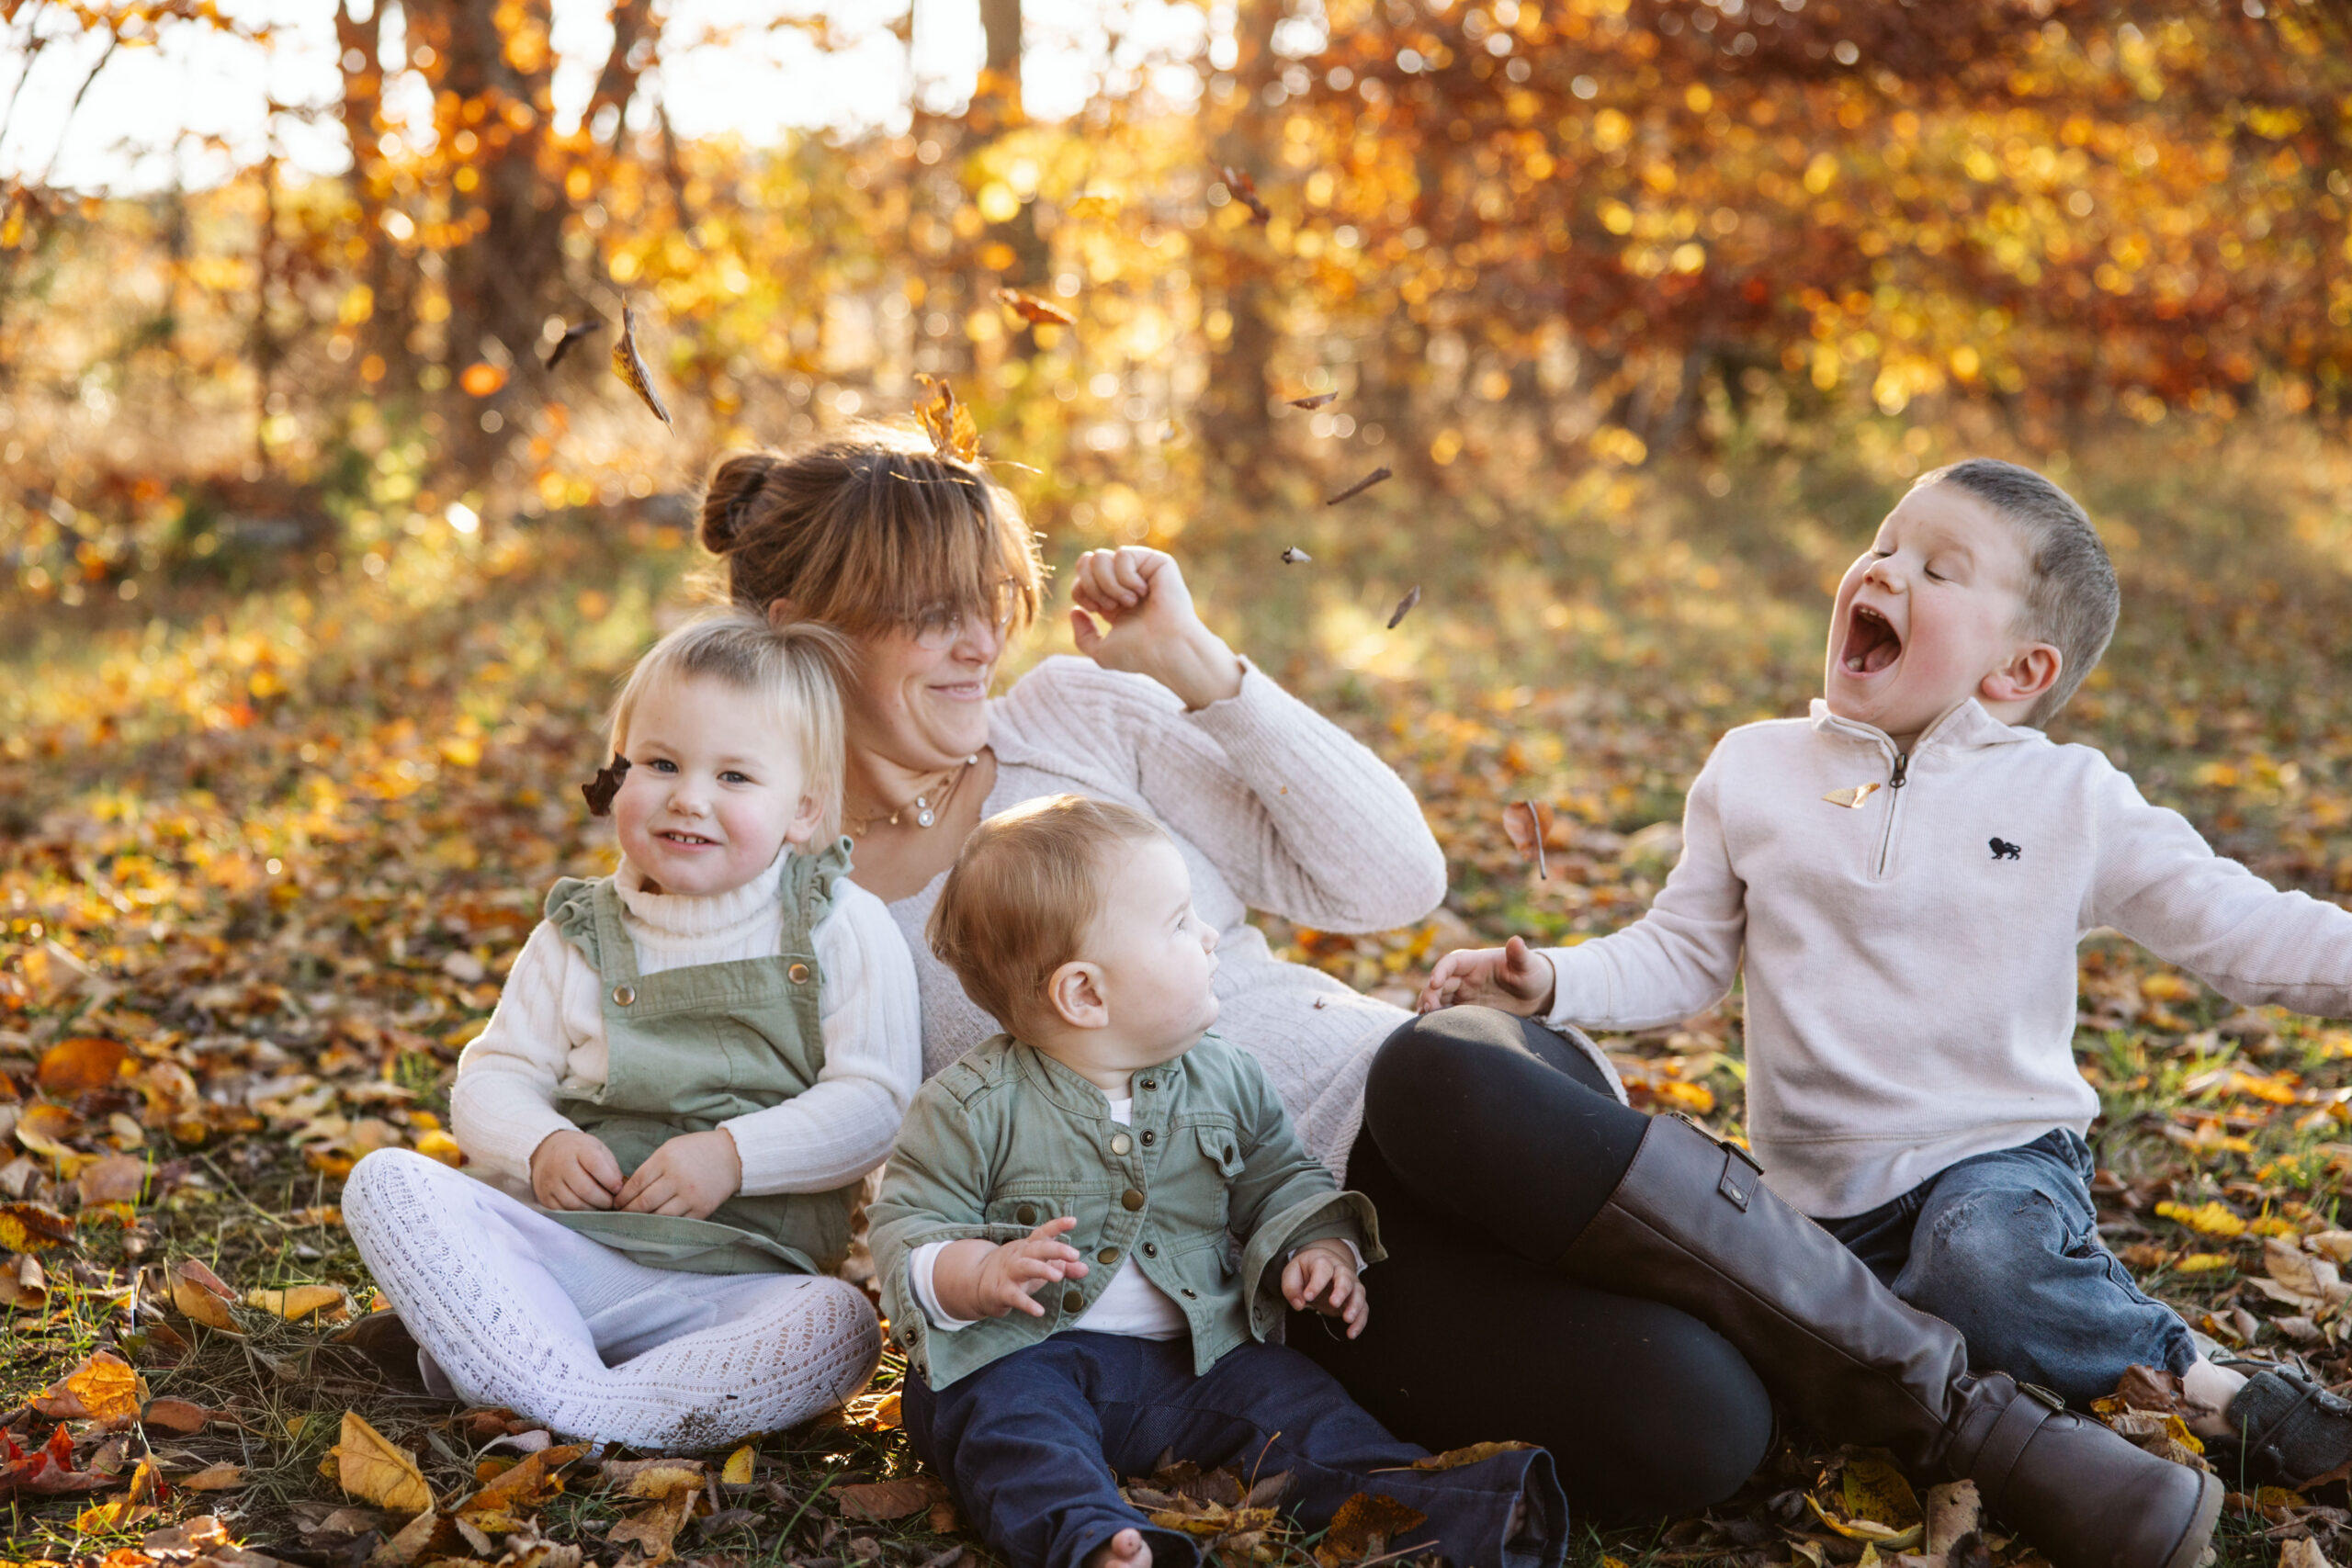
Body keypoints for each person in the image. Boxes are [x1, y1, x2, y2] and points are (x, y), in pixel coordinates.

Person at [697, 427, 1770, 1518]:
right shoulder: (798, 898)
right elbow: (798, 1146)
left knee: (1438, 1077)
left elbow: (1392, 882)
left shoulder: (1073, 718)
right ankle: (1833, 1339)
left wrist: (1194, 665)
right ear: (805, 636)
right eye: (933, 615)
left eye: (989, 598)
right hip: (1293, 1282)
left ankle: (1898, 1367)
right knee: (1692, 1423)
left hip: (1442, 1114)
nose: (980, 642)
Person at [1417, 459, 2352, 1547]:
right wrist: (1553, 981)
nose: (1884, 569)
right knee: (1762, 1356)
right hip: (1816, 1199)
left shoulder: (2069, 798)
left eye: (1937, 568)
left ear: (2018, 669)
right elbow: (1681, 952)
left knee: (1977, 1268)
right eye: (1883, 543)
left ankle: (2206, 1384)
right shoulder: (1752, 771)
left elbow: (2238, 926)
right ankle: (1982, 1407)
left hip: (1994, 1163)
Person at [870, 795, 1567, 1568]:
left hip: (1195, 1359)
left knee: (1297, 1410)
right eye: (1177, 924)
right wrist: (976, 1272)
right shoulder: (971, 1105)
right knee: (1008, 1431)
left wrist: (1317, 1244)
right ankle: (1097, 1542)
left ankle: (1453, 1512)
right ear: (1085, 993)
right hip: (1023, 1354)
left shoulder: (1224, 1078)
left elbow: (1279, 1175)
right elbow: (908, 1226)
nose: (1208, 937)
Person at [341, 610, 922, 1449]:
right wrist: (539, 1142)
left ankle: (563, 1408)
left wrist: (732, 1153)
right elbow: (494, 1074)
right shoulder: (579, 932)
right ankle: (577, 1391)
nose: (689, 796)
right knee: (387, 1182)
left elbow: (876, 1103)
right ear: (617, 777)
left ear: (804, 810)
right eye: (660, 763)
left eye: (734, 777)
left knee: (839, 1329)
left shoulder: (839, 924)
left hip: (742, 1283)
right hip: (572, 1261)